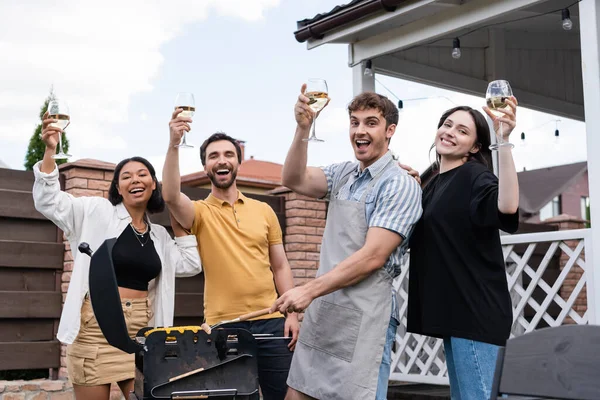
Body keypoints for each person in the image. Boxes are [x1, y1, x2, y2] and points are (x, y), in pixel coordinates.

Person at [32, 113, 202, 400]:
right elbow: (49, 201)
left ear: (153, 185)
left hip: (142, 332)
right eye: (126, 176)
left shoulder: (159, 236)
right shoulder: (96, 213)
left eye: (142, 174)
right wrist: (50, 151)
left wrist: (176, 216)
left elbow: (190, 263)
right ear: (118, 188)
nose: (135, 179)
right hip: (96, 328)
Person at [271, 87, 422, 400]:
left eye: (370, 123)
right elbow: (293, 178)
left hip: (365, 316)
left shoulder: (400, 185)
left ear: (390, 130)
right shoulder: (344, 174)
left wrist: (307, 290)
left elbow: (372, 257)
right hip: (325, 311)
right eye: (354, 123)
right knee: (297, 394)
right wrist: (303, 128)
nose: (360, 131)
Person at [162, 115, 300, 400]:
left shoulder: (264, 210)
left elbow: (280, 265)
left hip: (272, 321)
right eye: (213, 156)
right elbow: (171, 195)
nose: (221, 160)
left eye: (228, 154)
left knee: (286, 395)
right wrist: (174, 145)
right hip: (224, 325)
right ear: (205, 166)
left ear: (238, 162)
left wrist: (293, 313)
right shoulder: (199, 212)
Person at [407, 99, 520, 400]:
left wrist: (504, 141)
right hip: (455, 315)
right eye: (447, 125)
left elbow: (507, 207)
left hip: (475, 315)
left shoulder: (475, 176)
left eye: (462, 130)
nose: (450, 132)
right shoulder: (432, 184)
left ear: (473, 147)